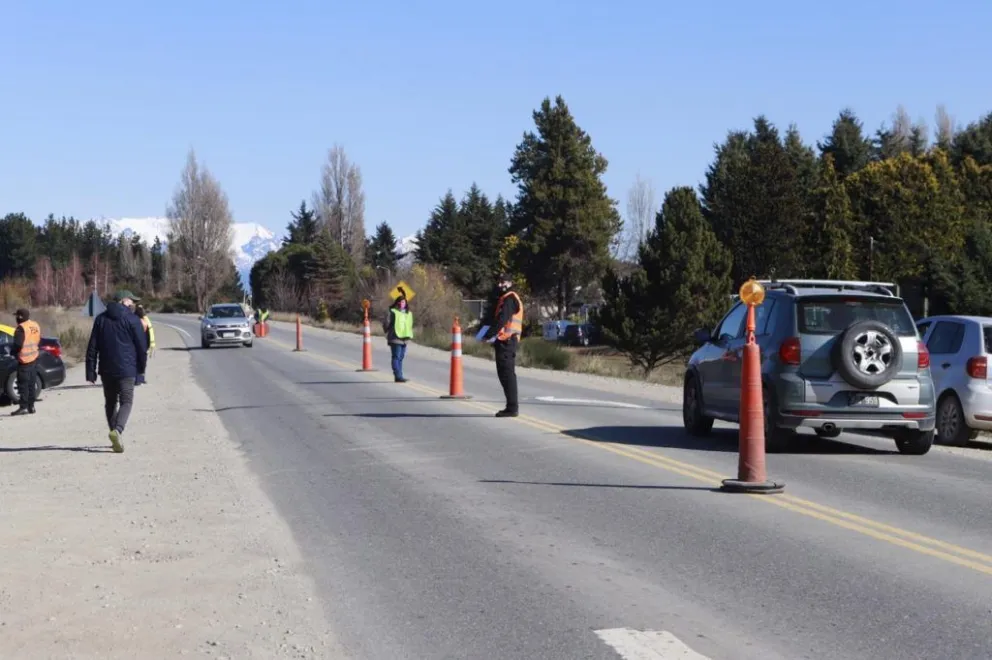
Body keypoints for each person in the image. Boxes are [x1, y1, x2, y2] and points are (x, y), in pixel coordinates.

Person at [85, 290, 147, 453]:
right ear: (124, 302)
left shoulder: (100, 319)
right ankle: (117, 431)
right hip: (127, 369)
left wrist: (90, 371)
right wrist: (141, 370)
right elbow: (141, 348)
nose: (133, 304)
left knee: (110, 402)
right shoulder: (133, 320)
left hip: (106, 370)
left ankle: (114, 436)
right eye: (131, 301)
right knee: (126, 401)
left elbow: (92, 347)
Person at [484, 273, 523, 417]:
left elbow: (502, 320)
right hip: (503, 341)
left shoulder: (510, 299)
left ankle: (512, 408)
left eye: (503, 282)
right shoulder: (504, 299)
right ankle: (511, 406)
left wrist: (488, 334)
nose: (500, 285)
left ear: (510, 282)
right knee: (504, 374)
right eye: (499, 282)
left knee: (507, 374)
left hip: (508, 341)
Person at [9, 308, 41, 416]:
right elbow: (37, 339)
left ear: (20, 317)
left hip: (24, 360)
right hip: (34, 358)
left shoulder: (21, 328)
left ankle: (23, 407)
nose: (15, 318)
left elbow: (18, 344)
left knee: (23, 384)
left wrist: (12, 352)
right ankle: (31, 406)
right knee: (32, 384)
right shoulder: (34, 325)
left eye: (16, 316)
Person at [383, 288, 413, 383]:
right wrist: (387, 331)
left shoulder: (409, 313)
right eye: (399, 302)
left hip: (405, 339)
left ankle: (399, 375)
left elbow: (410, 325)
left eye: (403, 302)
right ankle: (398, 375)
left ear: (405, 303)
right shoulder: (392, 312)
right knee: (396, 357)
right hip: (395, 338)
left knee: (400, 357)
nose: (401, 304)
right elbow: (386, 323)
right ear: (397, 303)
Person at [134, 305, 155, 385]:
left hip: (139, 344)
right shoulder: (144, 321)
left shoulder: (135, 320)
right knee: (141, 362)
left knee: (138, 362)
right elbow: (149, 333)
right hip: (143, 344)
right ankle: (139, 379)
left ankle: (139, 379)